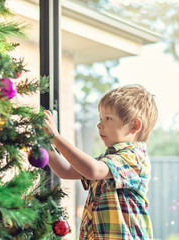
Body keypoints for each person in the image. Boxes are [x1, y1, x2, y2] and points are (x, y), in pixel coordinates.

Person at [43, 84, 158, 240]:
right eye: (100, 118)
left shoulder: (134, 157)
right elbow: (66, 170)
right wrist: (45, 142)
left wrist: (55, 137)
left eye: (108, 118)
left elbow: (92, 170)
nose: (99, 124)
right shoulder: (108, 160)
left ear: (134, 125)